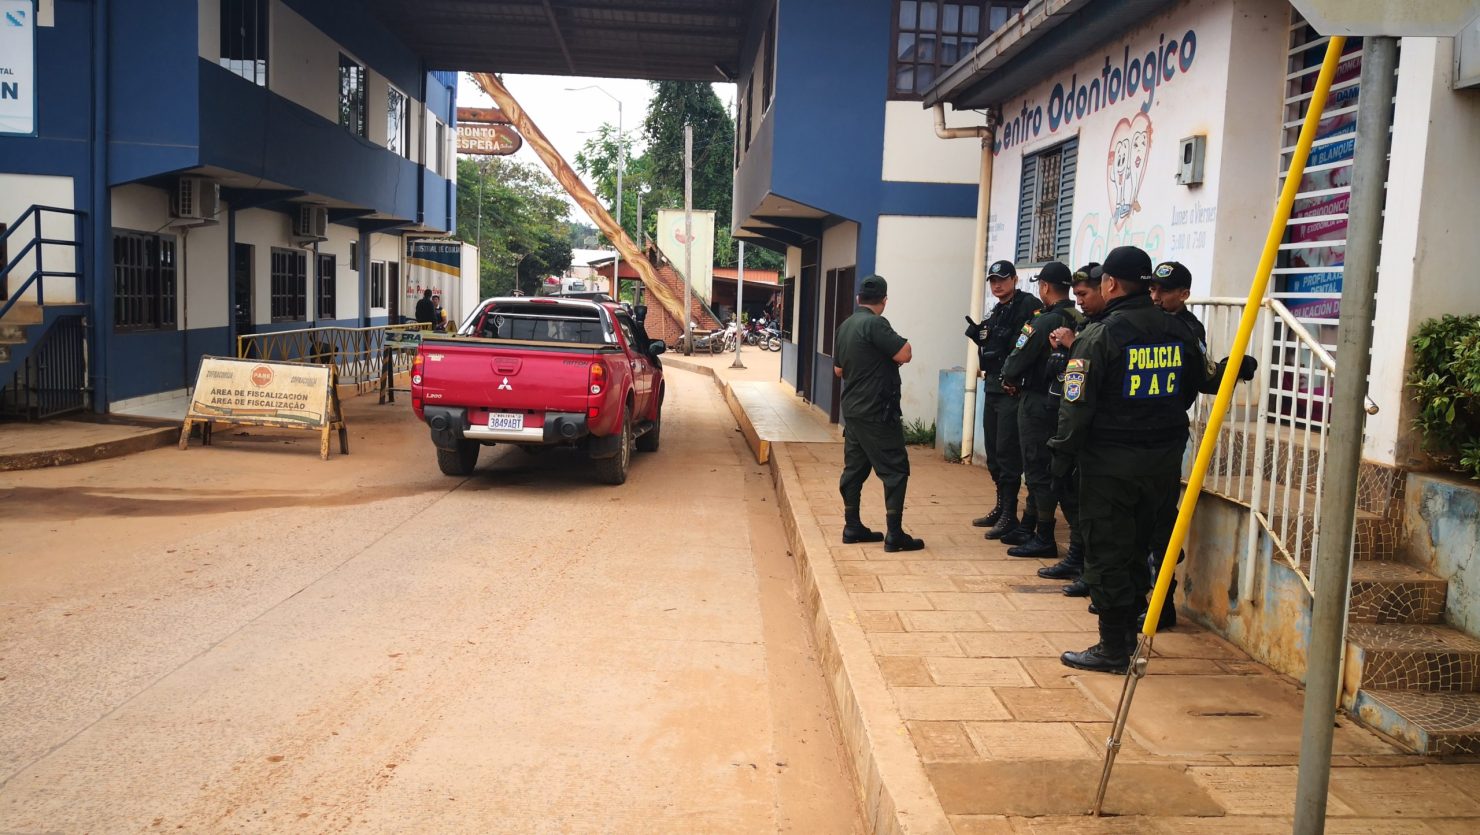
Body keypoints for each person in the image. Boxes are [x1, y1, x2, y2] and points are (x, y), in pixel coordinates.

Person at [1049, 246, 1210, 673]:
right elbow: (1200, 381)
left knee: (1107, 550)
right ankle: (1126, 637)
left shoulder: (1099, 335)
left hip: (1110, 464)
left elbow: (1076, 405)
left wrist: (1061, 457)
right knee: (1140, 546)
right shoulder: (1179, 330)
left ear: (1110, 284)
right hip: (1162, 461)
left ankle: (1112, 647)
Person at [834, 275, 924, 552]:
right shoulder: (876, 323)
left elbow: (839, 370)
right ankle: (895, 534)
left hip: (853, 411)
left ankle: (852, 526)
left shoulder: (846, 325)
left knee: (855, 470)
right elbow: (905, 353)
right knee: (895, 470)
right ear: (884, 301)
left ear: (858, 298)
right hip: (877, 412)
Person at [1038, 264, 1104, 587]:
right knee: (1070, 493)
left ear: (1107, 287)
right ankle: (1078, 558)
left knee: (1091, 506)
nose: (1079, 301)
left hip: (1095, 433)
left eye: (1084, 294)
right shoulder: (1087, 324)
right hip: (1070, 421)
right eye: (1076, 294)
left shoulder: (1102, 330)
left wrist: (1072, 342)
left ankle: (1090, 571)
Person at [966, 260, 1041, 540]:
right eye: (993, 281)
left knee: (1008, 452)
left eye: (1002, 279)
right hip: (993, 387)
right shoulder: (997, 310)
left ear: (1014, 279)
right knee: (994, 453)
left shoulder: (1028, 306)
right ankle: (1001, 506)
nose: (997, 285)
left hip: (1012, 390)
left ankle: (1010, 513)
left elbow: (1026, 349)